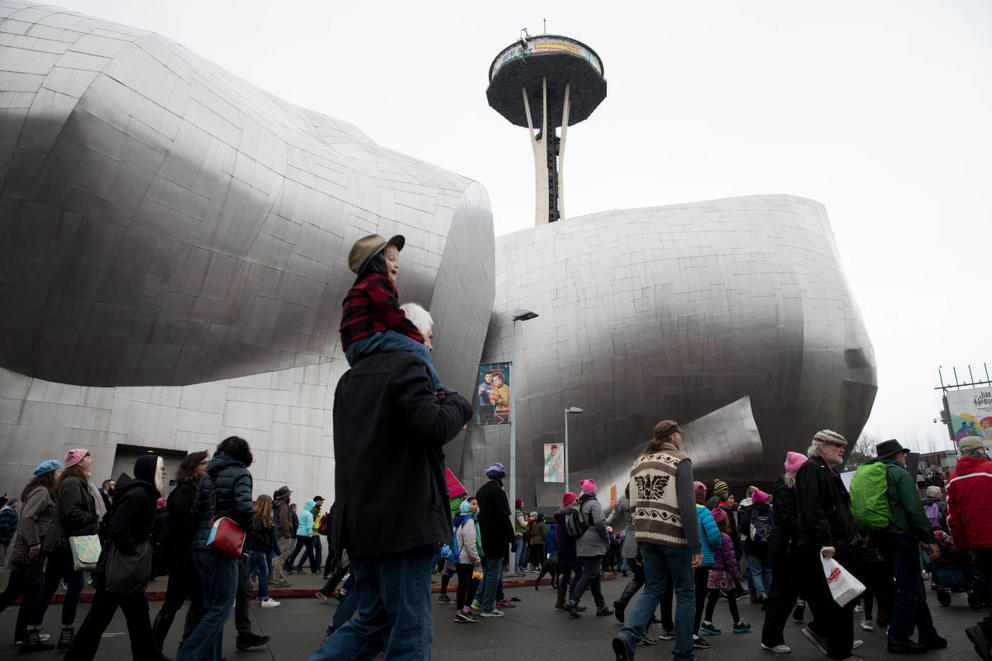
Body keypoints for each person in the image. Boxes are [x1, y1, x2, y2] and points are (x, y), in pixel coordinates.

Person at [308, 303, 471, 660]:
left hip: (362, 526)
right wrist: (458, 403)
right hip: (404, 525)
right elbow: (433, 426)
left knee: (372, 624)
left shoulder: (350, 379)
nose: (429, 348)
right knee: (410, 632)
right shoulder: (408, 367)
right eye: (428, 339)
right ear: (413, 334)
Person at [63, 456, 170, 661]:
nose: (165, 473)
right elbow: (117, 528)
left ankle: (149, 656)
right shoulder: (139, 494)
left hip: (121, 570)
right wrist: (135, 552)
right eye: (162, 469)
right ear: (151, 470)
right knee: (102, 621)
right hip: (120, 570)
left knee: (132, 618)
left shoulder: (141, 492)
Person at [612, 419, 702, 661]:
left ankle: (629, 636)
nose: (680, 439)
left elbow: (630, 495)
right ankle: (683, 653)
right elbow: (687, 506)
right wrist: (696, 545)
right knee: (685, 592)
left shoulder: (639, 462)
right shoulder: (680, 461)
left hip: (646, 535)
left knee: (653, 588)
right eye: (679, 435)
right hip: (673, 536)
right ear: (673, 437)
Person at [175, 436, 255, 661]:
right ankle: (188, 655)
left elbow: (195, 512)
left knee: (211, 608)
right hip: (223, 545)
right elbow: (245, 510)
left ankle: (210, 657)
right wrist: (243, 534)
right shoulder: (241, 474)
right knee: (222, 608)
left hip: (201, 546)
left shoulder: (208, 477)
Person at [868, 439, 945, 653]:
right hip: (902, 537)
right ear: (897, 455)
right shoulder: (898, 474)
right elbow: (914, 509)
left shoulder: (873, 475)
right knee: (908, 587)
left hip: (883, 536)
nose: (904, 457)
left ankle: (927, 632)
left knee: (914, 585)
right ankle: (898, 636)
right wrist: (928, 539)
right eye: (902, 454)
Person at [339, 233, 443, 390]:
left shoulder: (358, 289)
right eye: (391, 259)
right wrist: (418, 338)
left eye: (396, 260)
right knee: (418, 350)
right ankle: (437, 390)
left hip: (352, 351)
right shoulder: (377, 283)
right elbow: (394, 318)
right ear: (376, 263)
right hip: (370, 339)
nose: (396, 265)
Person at [22, 448, 98, 652]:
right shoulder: (74, 482)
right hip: (67, 544)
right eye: (88, 457)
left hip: (59, 543)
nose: (91, 460)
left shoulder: (70, 481)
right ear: (79, 462)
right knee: (75, 585)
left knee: (48, 587)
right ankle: (66, 632)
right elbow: (72, 513)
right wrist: (92, 518)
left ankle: (32, 631)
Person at [795, 430, 860, 661]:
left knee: (843, 598)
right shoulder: (812, 469)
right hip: (826, 546)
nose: (842, 448)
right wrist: (825, 542)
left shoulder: (829, 471)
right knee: (839, 600)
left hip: (839, 543)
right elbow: (814, 508)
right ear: (822, 447)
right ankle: (839, 650)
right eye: (836, 445)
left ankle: (827, 634)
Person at [0, 460, 61, 646]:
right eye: (59, 472)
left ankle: (22, 636)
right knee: (28, 590)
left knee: (19, 590)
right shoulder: (42, 492)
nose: (61, 475)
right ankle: (24, 636)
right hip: (32, 549)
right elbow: (28, 517)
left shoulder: (41, 491)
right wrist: (34, 543)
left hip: (31, 548)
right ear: (50, 475)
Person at [152, 451, 208, 651]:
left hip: (185, 556)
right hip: (184, 557)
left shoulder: (193, 489)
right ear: (193, 467)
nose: (208, 467)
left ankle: (185, 645)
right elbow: (186, 522)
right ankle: (185, 647)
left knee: (187, 603)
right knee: (187, 603)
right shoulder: (186, 491)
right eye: (204, 464)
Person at [946, 436, 992, 661]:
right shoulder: (989, 470)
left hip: (977, 544)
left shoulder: (952, 480)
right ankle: (985, 630)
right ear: (980, 451)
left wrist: (964, 548)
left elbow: (953, 518)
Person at [760, 451, 805, 654]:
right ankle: (771, 638)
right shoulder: (784, 485)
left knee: (791, 592)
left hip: (792, 545)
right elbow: (788, 519)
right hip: (786, 547)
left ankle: (833, 634)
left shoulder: (799, 486)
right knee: (782, 593)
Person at [563, 479, 613, 618]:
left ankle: (601, 606)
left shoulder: (580, 504)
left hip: (581, 542)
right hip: (593, 543)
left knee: (594, 575)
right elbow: (599, 523)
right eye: (595, 489)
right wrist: (606, 538)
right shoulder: (593, 504)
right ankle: (573, 600)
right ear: (592, 491)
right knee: (590, 573)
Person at [474, 462, 516, 616]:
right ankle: (487, 608)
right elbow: (503, 517)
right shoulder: (498, 492)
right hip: (496, 538)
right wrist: (511, 538)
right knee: (493, 573)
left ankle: (478, 601)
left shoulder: (481, 491)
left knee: (488, 571)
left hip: (483, 537)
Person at [700, 506, 750, 635]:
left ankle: (707, 622)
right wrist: (735, 575)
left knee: (713, 597)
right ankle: (737, 623)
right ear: (724, 521)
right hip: (724, 573)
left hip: (712, 571)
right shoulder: (725, 538)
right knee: (731, 597)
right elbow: (730, 559)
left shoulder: (708, 536)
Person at [692, 482, 723, 650]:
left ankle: (680, 630)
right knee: (699, 596)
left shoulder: (681, 511)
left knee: (685, 596)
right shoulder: (703, 512)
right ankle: (693, 634)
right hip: (702, 560)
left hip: (684, 560)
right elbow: (714, 537)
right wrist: (715, 548)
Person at [610, 483, 642, 622]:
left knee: (640, 577)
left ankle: (622, 603)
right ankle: (645, 612)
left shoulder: (624, 505)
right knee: (650, 579)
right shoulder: (638, 505)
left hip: (629, 543)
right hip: (639, 544)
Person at [245, 494, 280, 607]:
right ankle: (264, 599)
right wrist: (268, 543)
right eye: (269, 503)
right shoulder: (261, 518)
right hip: (259, 550)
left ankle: (259, 597)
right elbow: (256, 533)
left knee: (247, 573)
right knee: (264, 573)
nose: (271, 505)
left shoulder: (256, 516)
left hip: (254, 549)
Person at [740, 487, 773, 601]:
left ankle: (762, 594)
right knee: (767, 571)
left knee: (756, 571)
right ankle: (769, 594)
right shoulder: (769, 510)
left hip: (753, 545)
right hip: (767, 545)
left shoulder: (749, 510)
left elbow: (743, 528)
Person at [453, 498, 483, 623]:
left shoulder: (458, 520)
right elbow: (471, 543)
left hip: (459, 559)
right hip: (469, 560)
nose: (476, 506)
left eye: (477, 503)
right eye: (473, 504)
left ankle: (460, 611)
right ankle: (465, 609)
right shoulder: (469, 520)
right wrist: (477, 559)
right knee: (476, 580)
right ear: (466, 505)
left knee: (462, 585)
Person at [554, 492, 582, 611]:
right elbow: (576, 531)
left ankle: (560, 601)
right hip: (572, 548)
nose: (577, 501)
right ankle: (573, 600)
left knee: (566, 574)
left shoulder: (560, 515)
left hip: (562, 549)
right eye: (575, 500)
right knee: (579, 572)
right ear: (571, 502)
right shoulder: (571, 515)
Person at [270, 485, 293, 587]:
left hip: (277, 534)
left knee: (276, 557)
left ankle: (267, 573)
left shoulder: (277, 504)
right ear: (285, 495)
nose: (290, 496)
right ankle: (278, 579)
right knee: (281, 558)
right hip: (283, 535)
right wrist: (287, 533)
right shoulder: (283, 505)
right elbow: (284, 520)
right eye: (289, 494)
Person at [286, 499, 316, 573]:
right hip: (306, 535)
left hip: (299, 534)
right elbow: (309, 526)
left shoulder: (302, 513)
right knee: (310, 553)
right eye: (313, 506)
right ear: (311, 506)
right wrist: (310, 535)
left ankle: (288, 567)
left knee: (296, 551)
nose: (313, 508)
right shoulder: (309, 515)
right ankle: (314, 570)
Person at [0, 496, 19, 565]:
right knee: (8, 549)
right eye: (16, 502)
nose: (17, 503)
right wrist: (8, 533)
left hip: (8, 534)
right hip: (7, 534)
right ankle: (7, 563)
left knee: (8, 550)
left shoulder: (10, 510)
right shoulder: (8, 511)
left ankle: (7, 563)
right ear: (13, 502)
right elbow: (5, 524)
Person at [513, 498, 528, 574]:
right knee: (518, 553)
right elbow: (523, 524)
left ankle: (514, 568)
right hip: (519, 534)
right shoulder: (518, 512)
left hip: (513, 533)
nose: (523, 504)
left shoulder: (513, 511)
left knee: (514, 553)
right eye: (522, 503)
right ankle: (516, 569)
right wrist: (528, 521)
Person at [311, 496, 325, 572]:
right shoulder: (314, 510)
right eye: (321, 500)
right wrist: (319, 528)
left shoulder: (317, 509)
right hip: (314, 533)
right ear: (317, 501)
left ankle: (318, 568)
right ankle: (299, 566)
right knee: (308, 552)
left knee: (319, 550)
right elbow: (312, 522)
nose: (322, 502)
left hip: (317, 533)